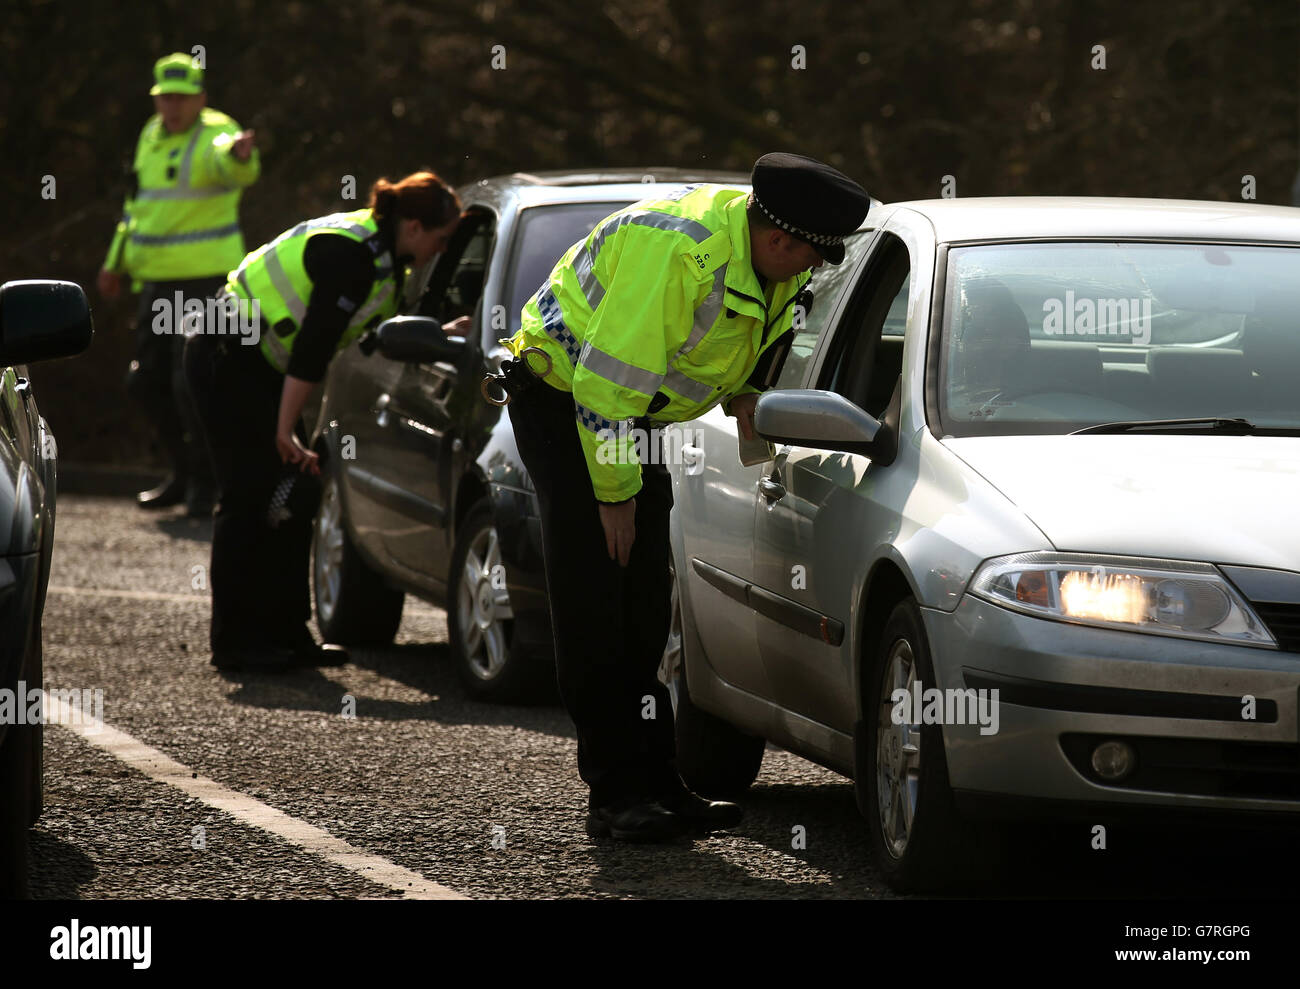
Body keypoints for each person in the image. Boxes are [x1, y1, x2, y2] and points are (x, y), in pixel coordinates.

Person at [503, 153, 871, 841]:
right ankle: (615, 795)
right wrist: (615, 496)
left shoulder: (762, 258)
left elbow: (747, 346)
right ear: (780, 240)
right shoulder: (675, 253)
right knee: (598, 604)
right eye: (809, 260)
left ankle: (659, 782)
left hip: (631, 417)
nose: (810, 273)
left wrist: (752, 407)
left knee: (643, 606)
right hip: (569, 407)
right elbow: (604, 387)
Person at [183, 171, 466, 673]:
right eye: (442, 240)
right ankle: (235, 643)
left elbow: (369, 334)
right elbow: (313, 351)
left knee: (295, 493)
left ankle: (289, 635)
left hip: (261, 364)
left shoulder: (385, 261)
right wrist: (285, 429)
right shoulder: (353, 255)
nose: (441, 252)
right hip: (224, 356)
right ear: (416, 228)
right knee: (248, 497)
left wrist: (441, 332)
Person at [98, 52, 260, 516]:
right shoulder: (149, 136)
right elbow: (135, 211)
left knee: (191, 383)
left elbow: (232, 162)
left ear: (201, 98)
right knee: (145, 382)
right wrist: (115, 263)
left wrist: (239, 155)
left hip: (205, 281)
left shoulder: (216, 132)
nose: (172, 106)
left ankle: (207, 486)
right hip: (155, 281)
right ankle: (185, 471)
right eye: (165, 97)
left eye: (182, 98)